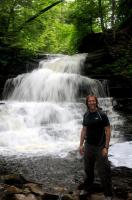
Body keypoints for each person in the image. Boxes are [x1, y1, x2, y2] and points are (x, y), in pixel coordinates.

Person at [79, 95, 113, 200]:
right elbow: (84, 130)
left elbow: (108, 130)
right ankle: (87, 188)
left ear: (96, 102)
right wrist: (81, 144)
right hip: (88, 145)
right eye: (89, 101)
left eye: (93, 101)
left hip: (100, 146)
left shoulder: (102, 114)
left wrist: (106, 147)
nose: (91, 102)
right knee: (88, 169)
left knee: (103, 170)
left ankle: (108, 194)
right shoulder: (86, 115)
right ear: (87, 103)